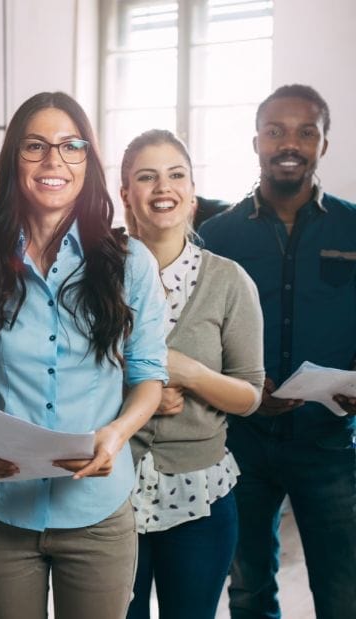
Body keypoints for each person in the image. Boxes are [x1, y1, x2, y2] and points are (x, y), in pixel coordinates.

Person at [0, 91, 168, 619]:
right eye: (36, 146)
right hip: (2, 514)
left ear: (88, 162)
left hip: (97, 516)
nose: (54, 161)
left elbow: (148, 375)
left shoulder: (129, 263)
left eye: (72, 146)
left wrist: (115, 435)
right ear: (13, 160)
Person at [199, 84, 356, 619]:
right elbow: (195, 334)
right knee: (247, 590)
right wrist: (239, 387)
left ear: (323, 145)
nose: (290, 143)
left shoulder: (353, 227)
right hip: (242, 442)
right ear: (257, 142)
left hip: (329, 444)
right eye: (276, 131)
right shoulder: (216, 235)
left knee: (344, 593)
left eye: (306, 132)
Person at [119, 129, 264, 619]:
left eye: (176, 174)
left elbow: (250, 395)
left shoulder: (228, 281)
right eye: (147, 176)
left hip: (200, 497)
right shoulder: (92, 277)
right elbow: (62, 374)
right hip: (108, 490)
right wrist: (140, 392)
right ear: (126, 195)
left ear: (192, 192)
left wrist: (192, 373)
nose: (164, 187)